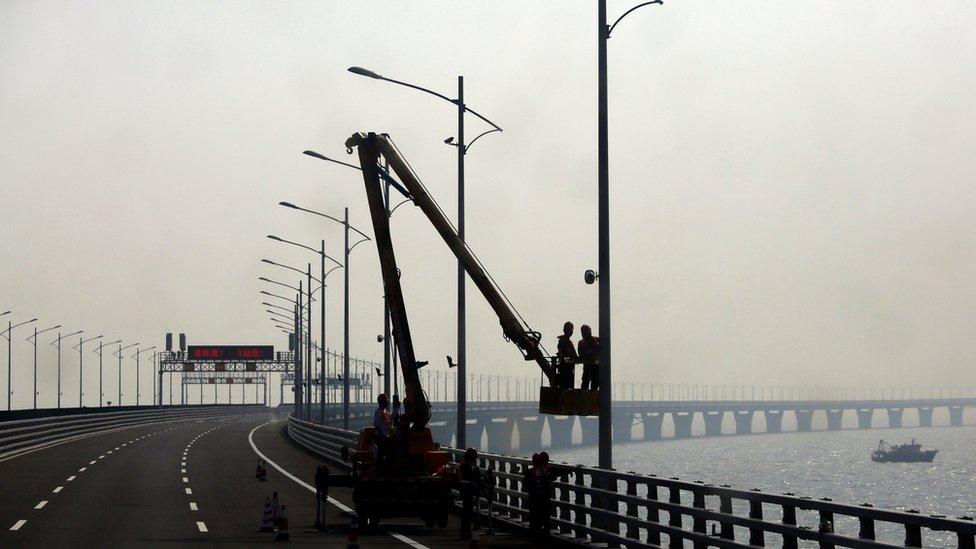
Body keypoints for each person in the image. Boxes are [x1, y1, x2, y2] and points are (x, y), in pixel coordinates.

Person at [522, 453, 553, 537]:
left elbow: (526, 483)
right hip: (545, 499)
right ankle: (545, 537)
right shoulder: (548, 470)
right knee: (546, 519)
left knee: (535, 519)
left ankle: (535, 536)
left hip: (534, 499)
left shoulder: (531, 471)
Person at [556, 321, 578, 389]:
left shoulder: (569, 341)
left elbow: (574, 354)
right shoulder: (562, 340)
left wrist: (576, 358)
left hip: (569, 368)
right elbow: (565, 352)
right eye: (570, 330)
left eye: (572, 330)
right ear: (565, 330)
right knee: (565, 386)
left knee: (568, 386)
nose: (571, 332)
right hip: (564, 368)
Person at [578, 324, 600, 391]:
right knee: (585, 383)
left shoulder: (596, 340)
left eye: (589, 331)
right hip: (587, 366)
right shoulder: (582, 343)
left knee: (594, 383)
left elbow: (601, 351)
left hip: (595, 366)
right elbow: (580, 354)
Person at [372, 393, 393, 460]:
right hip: (383, 438)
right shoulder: (378, 412)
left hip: (387, 436)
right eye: (385, 401)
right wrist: (384, 437)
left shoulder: (386, 412)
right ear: (381, 402)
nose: (386, 403)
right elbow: (376, 426)